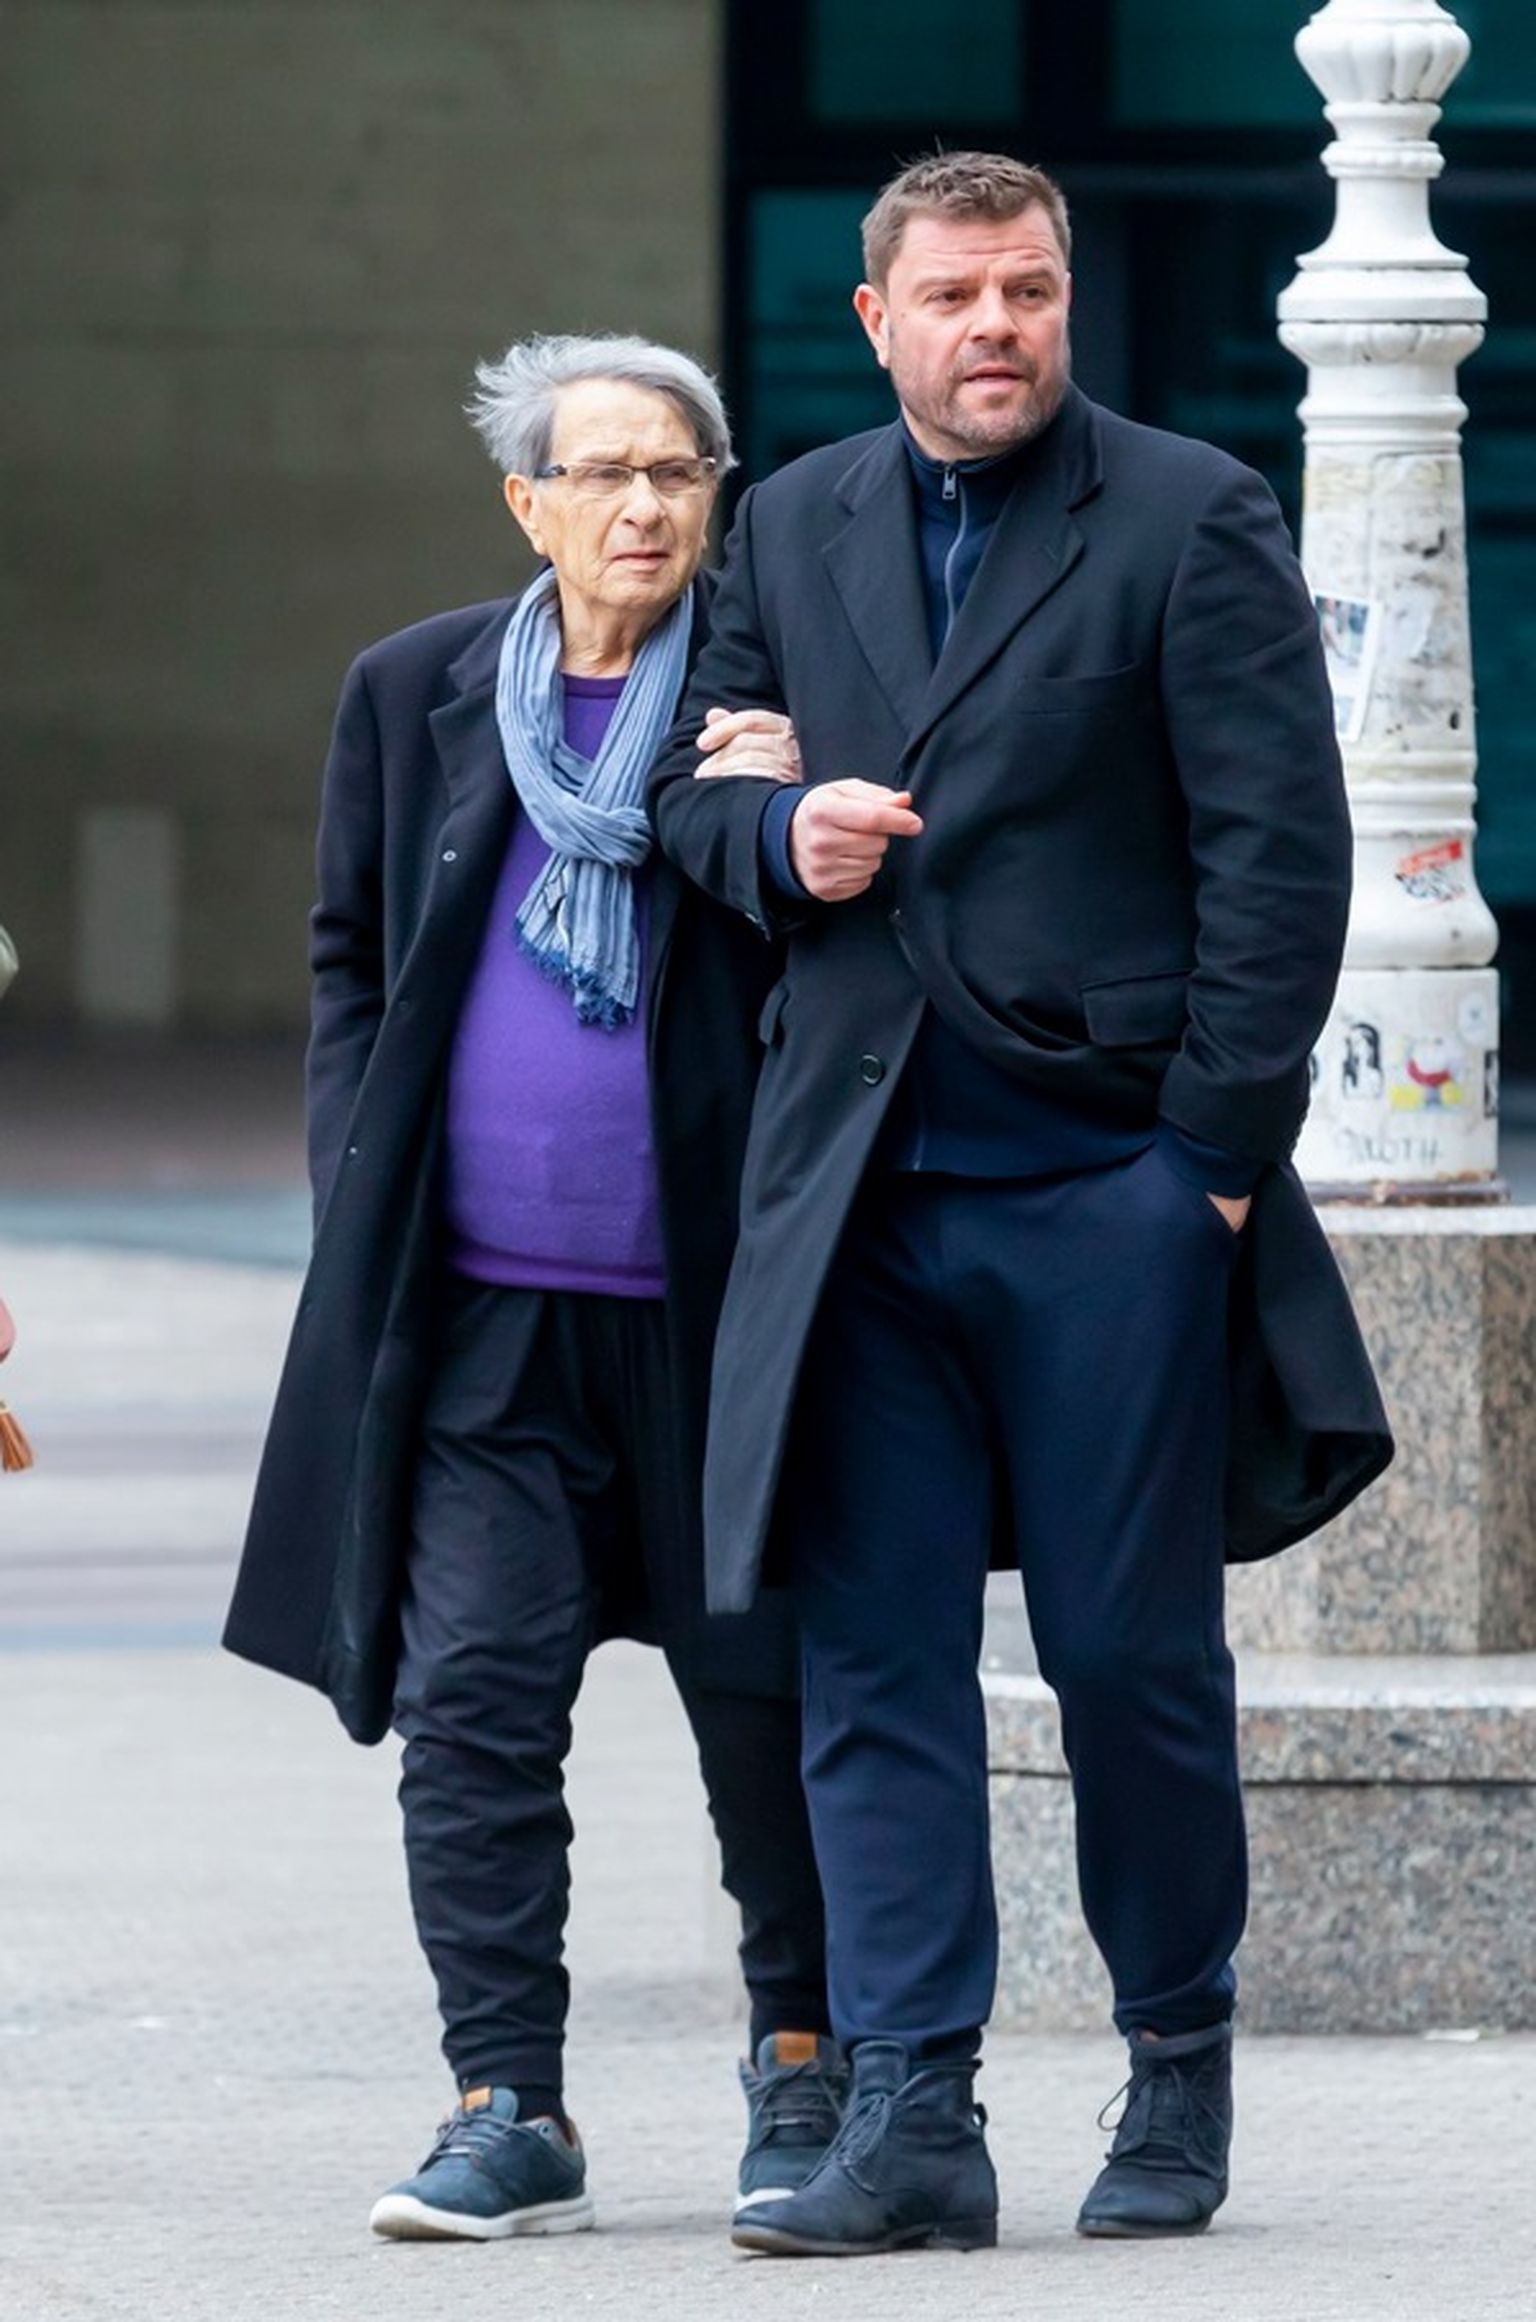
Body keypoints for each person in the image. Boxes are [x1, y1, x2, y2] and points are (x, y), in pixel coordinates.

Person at [651, 152, 1392, 2256]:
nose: (999, 326)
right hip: (858, 1202)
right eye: (960, 295)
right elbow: (694, 793)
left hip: (1105, 1189)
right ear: (876, 319)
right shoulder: (790, 522)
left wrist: (1207, 1175)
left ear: (1066, 302)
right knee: (872, 1659)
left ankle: (1177, 2057)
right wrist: (778, 836)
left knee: (1128, 1654)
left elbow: (1280, 861)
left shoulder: (1187, 514)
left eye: (1032, 291)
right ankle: (915, 2117)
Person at [224, 333, 840, 2244]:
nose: (643, 506)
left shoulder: (774, 693)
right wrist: (353, 1181)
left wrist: (797, 792)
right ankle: (509, 2101)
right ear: (528, 502)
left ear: (717, 498)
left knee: (767, 1707)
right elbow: (348, 958)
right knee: (474, 1705)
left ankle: (806, 2067)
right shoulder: (412, 692)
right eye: (603, 473)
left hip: (724, 1319)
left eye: (678, 473)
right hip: (486, 1315)